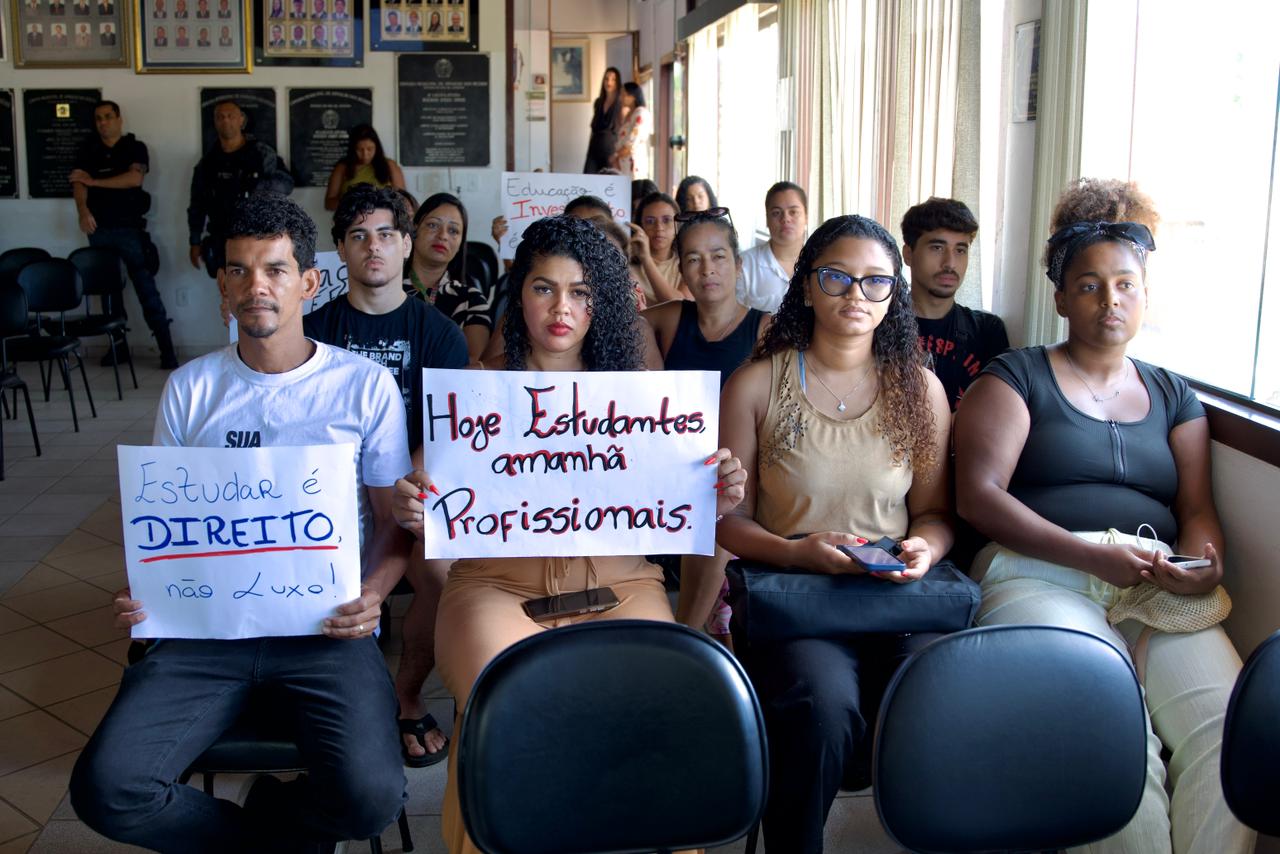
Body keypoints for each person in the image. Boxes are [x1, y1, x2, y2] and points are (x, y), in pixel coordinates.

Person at [390, 215, 747, 854]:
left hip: (621, 585)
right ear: (517, 293)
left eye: (581, 292)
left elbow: (690, 494)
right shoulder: (474, 391)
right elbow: (418, 484)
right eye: (543, 288)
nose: (562, 308)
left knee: (660, 711)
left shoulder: (644, 399)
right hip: (495, 588)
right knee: (513, 711)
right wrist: (410, 499)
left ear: (601, 303)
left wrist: (719, 485)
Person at [68, 193, 410, 853]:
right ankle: (270, 844)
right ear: (222, 286)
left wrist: (374, 594)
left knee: (372, 797)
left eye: (276, 270)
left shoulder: (364, 387)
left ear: (309, 282)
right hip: (205, 632)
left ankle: (276, 817)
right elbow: (163, 518)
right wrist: (145, 587)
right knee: (105, 789)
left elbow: (390, 524)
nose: (257, 286)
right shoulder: (192, 388)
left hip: (325, 629)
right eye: (240, 271)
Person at [953, 178, 1254, 854]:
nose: (1109, 300)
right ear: (1060, 297)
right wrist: (1091, 554)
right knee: (1107, 726)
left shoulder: (1175, 394)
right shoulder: (1016, 375)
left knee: (1228, 726)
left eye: (1124, 284)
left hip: (1155, 579)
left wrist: (1206, 566)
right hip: (1038, 572)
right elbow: (979, 497)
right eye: (1088, 285)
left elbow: (1197, 509)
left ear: (1145, 293)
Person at [717, 214, 953, 854]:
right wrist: (799, 552)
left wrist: (926, 548)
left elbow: (933, 514)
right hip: (797, 597)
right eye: (837, 278)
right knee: (822, 707)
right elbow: (727, 521)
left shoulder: (921, 390)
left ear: (894, 294)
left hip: (894, 596)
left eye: (876, 282)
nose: (856, 295)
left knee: (944, 690)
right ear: (809, 287)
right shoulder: (758, 383)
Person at [305, 186, 469, 769]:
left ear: (406, 244)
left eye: (384, 235)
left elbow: (448, 433)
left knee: (440, 574)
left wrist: (406, 486)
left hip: (413, 487)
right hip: (328, 489)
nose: (371, 247)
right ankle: (330, 697)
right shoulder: (312, 331)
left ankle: (403, 694)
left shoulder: (441, 335)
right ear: (341, 253)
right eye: (357, 236)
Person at [645, 209, 769, 647]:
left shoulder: (765, 330)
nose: (707, 269)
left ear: (737, 263)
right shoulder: (662, 320)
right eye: (693, 259)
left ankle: (685, 637)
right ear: (681, 269)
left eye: (718, 256)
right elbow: (649, 408)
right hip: (673, 463)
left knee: (716, 497)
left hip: (740, 471)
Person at [71, 98, 178, 366]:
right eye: (98, 118)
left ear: (119, 119)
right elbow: (78, 183)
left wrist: (94, 181)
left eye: (108, 116)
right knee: (109, 294)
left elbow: (134, 178)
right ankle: (117, 348)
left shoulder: (134, 147)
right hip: (99, 229)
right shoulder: (88, 150)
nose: (103, 122)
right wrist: (83, 211)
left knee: (146, 290)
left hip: (129, 229)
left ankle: (167, 351)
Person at [901, 196, 1008, 410]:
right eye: (937, 248)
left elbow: (996, 410)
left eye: (960, 250)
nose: (950, 263)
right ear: (908, 255)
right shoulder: (880, 324)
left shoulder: (987, 331)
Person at [188, 99, 294, 279]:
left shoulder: (261, 153)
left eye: (230, 116)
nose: (226, 121)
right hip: (223, 238)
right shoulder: (207, 163)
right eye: (220, 117)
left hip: (259, 235)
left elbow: (286, 185)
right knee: (228, 294)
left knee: (261, 288)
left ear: (241, 120)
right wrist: (194, 241)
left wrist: (255, 188)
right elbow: (197, 204)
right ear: (215, 122)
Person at [404, 193, 492, 361]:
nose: (443, 235)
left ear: (460, 243)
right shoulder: (387, 290)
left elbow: (473, 363)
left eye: (453, 231)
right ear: (414, 229)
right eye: (432, 225)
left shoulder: (472, 300)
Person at [735, 181, 807, 314]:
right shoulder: (744, 266)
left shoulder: (819, 264)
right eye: (776, 213)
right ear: (767, 220)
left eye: (793, 212)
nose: (785, 219)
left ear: (806, 217)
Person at [630, 191, 684, 304]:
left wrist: (647, 260)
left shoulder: (687, 263)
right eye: (650, 221)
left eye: (666, 220)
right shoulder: (627, 265)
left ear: (677, 226)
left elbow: (679, 306)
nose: (659, 227)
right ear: (640, 226)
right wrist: (644, 258)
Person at [583, 67, 622, 174]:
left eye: (613, 79)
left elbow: (623, 130)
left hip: (610, 150)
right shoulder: (598, 102)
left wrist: (617, 155)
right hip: (594, 148)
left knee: (608, 183)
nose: (609, 82)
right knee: (588, 180)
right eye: (606, 78)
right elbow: (593, 130)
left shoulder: (620, 104)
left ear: (618, 82)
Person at [612, 82, 651, 179]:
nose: (620, 97)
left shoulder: (640, 114)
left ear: (632, 96)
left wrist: (616, 156)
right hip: (623, 163)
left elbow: (632, 142)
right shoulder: (630, 113)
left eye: (623, 94)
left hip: (633, 164)